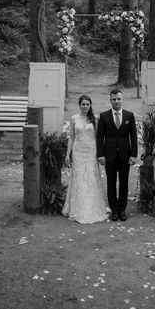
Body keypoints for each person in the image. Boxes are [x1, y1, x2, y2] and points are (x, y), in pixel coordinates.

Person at [62, 95, 109, 224]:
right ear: (79, 105)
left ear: (90, 105)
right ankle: (78, 207)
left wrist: (100, 153)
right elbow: (71, 137)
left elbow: (99, 138)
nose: (85, 106)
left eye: (87, 104)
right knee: (79, 178)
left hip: (91, 151)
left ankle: (93, 206)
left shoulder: (95, 119)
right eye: (83, 104)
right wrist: (68, 154)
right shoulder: (74, 118)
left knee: (91, 177)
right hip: (78, 151)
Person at [96, 89, 138, 221]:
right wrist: (100, 155)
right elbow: (99, 137)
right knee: (111, 183)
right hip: (109, 155)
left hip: (125, 155)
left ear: (122, 99)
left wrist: (133, 155)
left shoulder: (129, 115)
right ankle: (114, 210)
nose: (116, 101)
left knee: (124, 183)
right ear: (110, 100)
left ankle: (122, 210)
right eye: (114, 99)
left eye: (119, 99)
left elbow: (134, 137)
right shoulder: (104, 116)